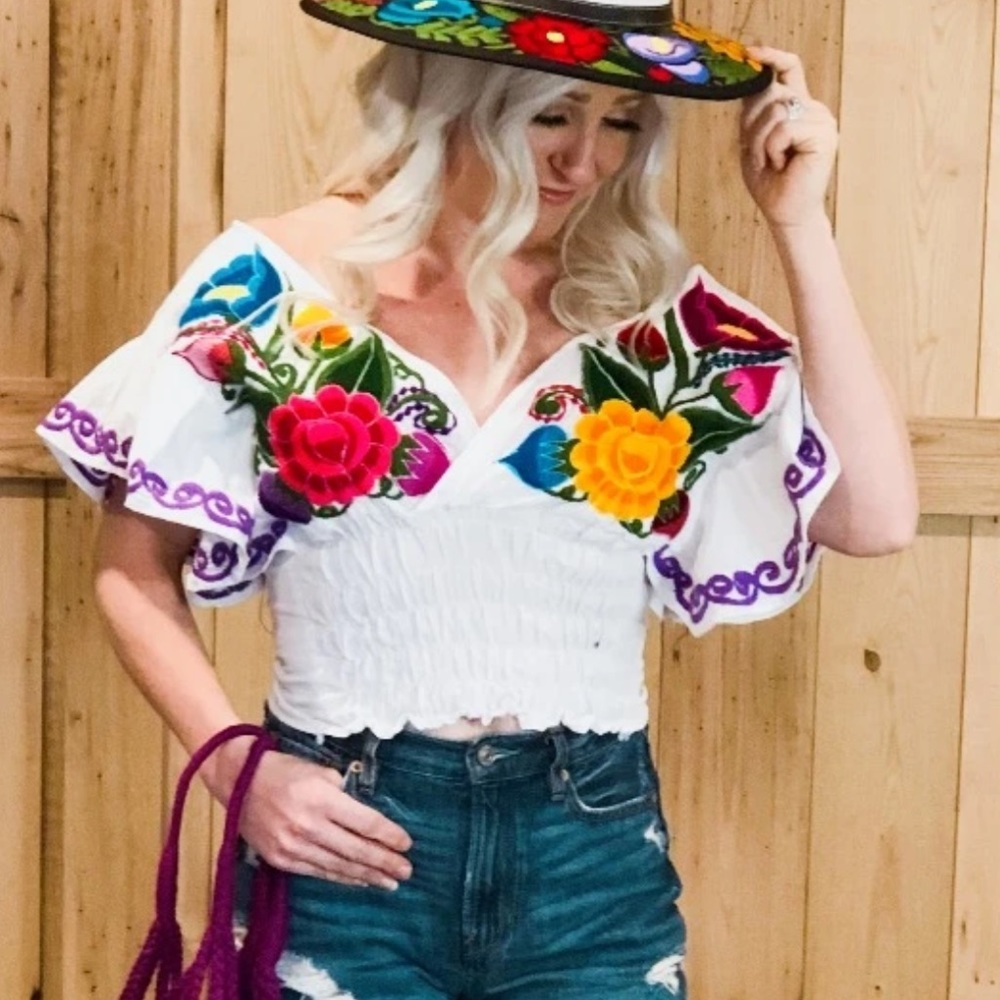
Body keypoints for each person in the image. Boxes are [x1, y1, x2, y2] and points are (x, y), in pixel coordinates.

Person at [37, 0, 918, 995]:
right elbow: (130, 571)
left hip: (588, 850)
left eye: (619, 125)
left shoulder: (652, 318)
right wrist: (234, 772)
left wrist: (798, 224)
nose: (582, 161)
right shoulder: (283, 290)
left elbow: (876, 517)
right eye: (551, 114)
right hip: (344, 835)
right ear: (457, 92)